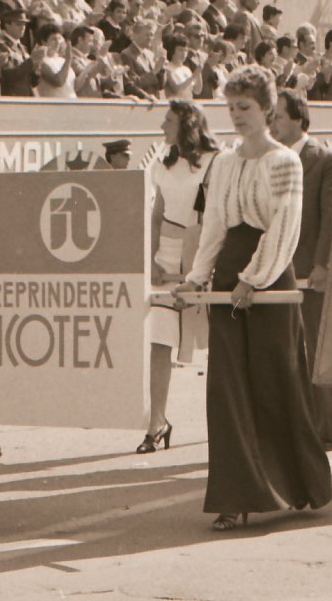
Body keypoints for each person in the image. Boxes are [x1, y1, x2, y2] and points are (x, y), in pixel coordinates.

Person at [176, 67, 331, 531]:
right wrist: (198, 277)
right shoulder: (222, 162)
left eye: (245, 108)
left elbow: (285, 225)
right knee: (226, 389)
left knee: (272, 381)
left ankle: (295, 485)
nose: (237, 117)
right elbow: (215, 227)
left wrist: (254, 279)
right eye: (231, 109)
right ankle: (234, 497)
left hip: (269, 277)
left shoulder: (286, 162)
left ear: (267, 110)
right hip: (229, 278)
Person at [269, 91, 332, 450]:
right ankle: (300, 425)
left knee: (318, 346)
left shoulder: (326, 158)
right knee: (287, 350)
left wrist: (323, 264)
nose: (272, 124)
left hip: (311, 271)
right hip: (278, 268)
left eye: (278, 117)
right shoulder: (273, 160)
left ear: (299, 120)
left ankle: (331, 427)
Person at [140, 101, 217, 455]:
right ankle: (157, 422)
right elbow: (156, 216)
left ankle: (230, 422)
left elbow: (217, 216)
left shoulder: (216, 161)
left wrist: (205, 262)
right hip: (168, 255)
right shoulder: (162, 164)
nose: (161, 125)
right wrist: (154, 257)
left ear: (187, 124)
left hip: (204, 252)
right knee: (160, 338)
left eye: (168, 120)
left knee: (218, 341)